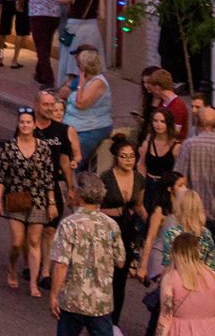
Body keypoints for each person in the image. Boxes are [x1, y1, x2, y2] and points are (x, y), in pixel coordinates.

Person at [48, 172, 125, 336]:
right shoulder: (111, 225)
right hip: (101, 302)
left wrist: (54, 295)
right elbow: (120, 261)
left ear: (80, 194)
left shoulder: (69, 224)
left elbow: (61, 264)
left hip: (73, 300)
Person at [0, 107, 59, 294]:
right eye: (22, 122)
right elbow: (1, 176)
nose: (25, 125)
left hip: (38, 199)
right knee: (17, 242)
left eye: (28, 122)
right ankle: (13, 266)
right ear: (18, 124)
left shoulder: (44, 147)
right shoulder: (10, 146)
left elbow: (49, 177)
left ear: (34, 125)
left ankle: (33, 282)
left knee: (34, 241)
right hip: (15, 198)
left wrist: (52, 202)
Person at [96, 135, 146, 324]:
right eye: (124, 156)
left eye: (131, 156)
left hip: (127, 231)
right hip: (108, 228)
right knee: (103, 274)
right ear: (116, 157)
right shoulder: (106, 178)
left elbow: (139, 206)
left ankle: (113, 321)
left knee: (120, 278)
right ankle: (97, 315)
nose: (128, 160)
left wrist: (153, 225)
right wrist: (116, 210)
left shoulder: (139, 179)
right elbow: (96, 208)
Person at [174, 106, 215, 252]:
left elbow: (179, 180)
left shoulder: (189, 145)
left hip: (193, 213)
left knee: (192, 256)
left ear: (197, 122)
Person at [156, 232, 215, 336]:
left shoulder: (170, 279)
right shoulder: (214, 277)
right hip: (210, 330)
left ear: (175, 253)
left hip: (180, 330)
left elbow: (165, 317)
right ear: (198, 251)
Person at [60, 48, 113, 169]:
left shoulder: (98, 82)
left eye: (79, 63)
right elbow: (63, 92)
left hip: (89, 129)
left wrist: (80, 85)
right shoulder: (85, 79)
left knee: (73, 163)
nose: (78, 66)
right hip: (72, 127)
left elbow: (81, 104)